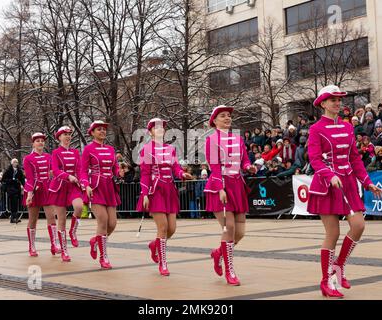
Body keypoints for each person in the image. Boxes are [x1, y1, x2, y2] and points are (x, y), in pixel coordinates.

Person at [307, 85, 382, 298]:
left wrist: (367, 182)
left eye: (340, 99)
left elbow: (354, 158)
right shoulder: (316, 129)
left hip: (348, 183)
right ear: (323, 103)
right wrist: (328, 174)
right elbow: (314, 159)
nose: (338, 103)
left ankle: (339, 266)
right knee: (333, 233)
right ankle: (326, 281)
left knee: (358, 226)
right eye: (333, 99)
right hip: (327, 185)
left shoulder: (348, 127)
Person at [204, 105, 257, 286]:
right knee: (230, 228)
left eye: (228, 116)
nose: (227, 118)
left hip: (237, 186)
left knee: (240, 232)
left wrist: (248, 166)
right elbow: (214, 166)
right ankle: (230, 271)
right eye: (222, 116)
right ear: (214, 120)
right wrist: (220, 188)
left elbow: (244, 159)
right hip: (221, 186)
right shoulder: (211, 139)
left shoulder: (238, 139)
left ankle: (219, 252)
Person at [136, 118, 193, 276]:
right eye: (156, 127)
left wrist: (182, 173)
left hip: (169, 189)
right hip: (155, 190)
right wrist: (145, 193)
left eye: (162, 127)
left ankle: (155, 245)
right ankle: (163, 263)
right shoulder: (146, 149)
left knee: (172, 229)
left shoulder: (170, 149)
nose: (160, 130)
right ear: (150, 131)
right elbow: (145, 174)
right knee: (162, 228)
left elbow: (175, 168)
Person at [80, 121, 124, 269]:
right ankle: (103, 257)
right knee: (103, 221)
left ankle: (95, 240)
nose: (102, 132)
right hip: (96, 187)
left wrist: (119, 172)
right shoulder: (88, 149)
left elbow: (115, 168)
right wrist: (86, 185)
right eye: (99, 129)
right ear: (92, 132)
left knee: (112, 223)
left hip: (109, 187)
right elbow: (83, 171)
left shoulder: (111, 149)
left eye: (104, 129)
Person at [47, 126, 84, 262]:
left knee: (79, 207)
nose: (68, 137)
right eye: (65, 134)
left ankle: (73, 231)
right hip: (60, 186)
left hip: (74, 186)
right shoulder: (56, 152)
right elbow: (55, 170)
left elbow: (80, 169)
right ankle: (64, 250)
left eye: (69, 134)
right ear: (59, 137)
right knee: (61, 220)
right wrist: (68, 176)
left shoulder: (75, 152)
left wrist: (81, 180)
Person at [23, 133, 60, 257]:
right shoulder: (28, 159)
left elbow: (53, 171)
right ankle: (31, 246)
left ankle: (54, 244)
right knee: (33, 219)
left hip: (47, 189)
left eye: (42, 141)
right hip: (34, 189)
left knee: (51, 217)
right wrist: (29, 194)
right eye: (37, 141)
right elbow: (29, 178)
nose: (40, 143)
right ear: (33, 143)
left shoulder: (49, 157)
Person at [2, 159, 25, 223]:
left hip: (17, 188)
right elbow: (4, 179)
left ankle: (15, 217)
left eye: (17, 162)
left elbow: (22, 179)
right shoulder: (8, 170)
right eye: (14, 162)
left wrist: (24, 186)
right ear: (12, 163)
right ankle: (13, 217)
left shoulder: (19, 170)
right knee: (13, 203)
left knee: (16, 203)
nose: (16, 163)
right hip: (11, 188)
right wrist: (11, 180)